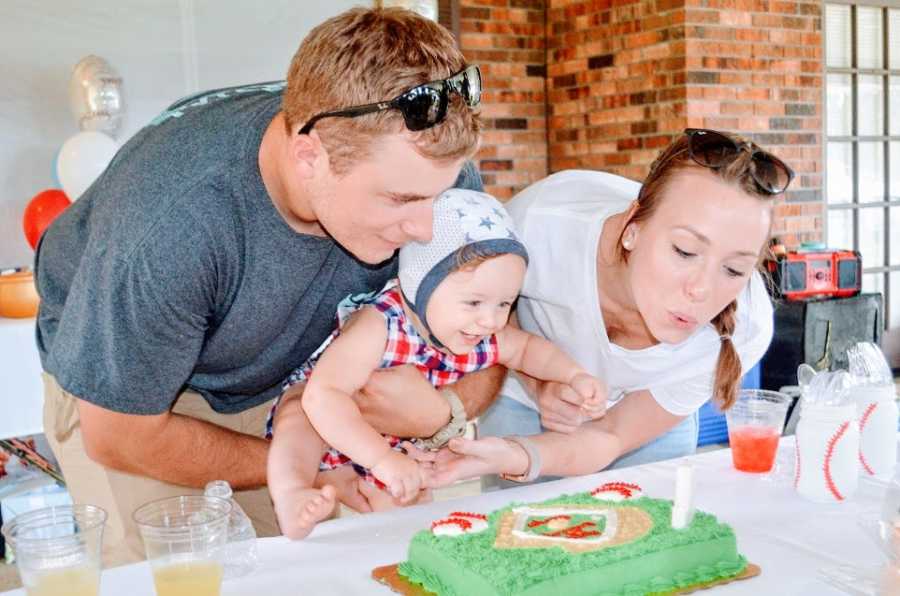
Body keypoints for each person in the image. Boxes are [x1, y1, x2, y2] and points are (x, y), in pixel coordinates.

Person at [33, 7, 499, 565]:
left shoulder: (428, 167)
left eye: (439, 196)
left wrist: (439, 411)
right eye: (399, 201)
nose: (426, 229)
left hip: (309, 376)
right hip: (144, 393)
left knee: (382, 563)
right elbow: (120, 435)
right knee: (197, 574)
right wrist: (311, 461)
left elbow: (496, 341)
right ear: (309, 155)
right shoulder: (174, 223)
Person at [432, 128, 788, 485]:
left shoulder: (746, 326)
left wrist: (523, 456)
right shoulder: (538, 226)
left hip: (644, 427)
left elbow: (612, 435)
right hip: (519, 403)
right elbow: (480, 322)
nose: (701, 290)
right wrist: (537, 381)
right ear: (632, 226)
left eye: (734, 269)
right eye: (684, 251)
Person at [267, 189, 606, 539]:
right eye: (474, 302)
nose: (490, 320)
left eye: (504, 303)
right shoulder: (380, 322)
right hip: (329, 423)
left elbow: (528, 351)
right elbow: (324, 396)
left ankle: (401, 547)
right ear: (420, 285)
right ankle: (291, 493)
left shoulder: (480, 332)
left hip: (396, 445)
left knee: (407, 516)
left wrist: (573, 374)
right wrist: (381, 459)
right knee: (297, 414)